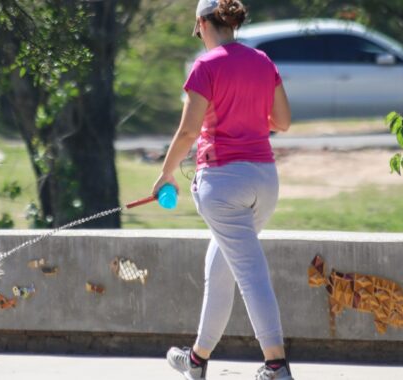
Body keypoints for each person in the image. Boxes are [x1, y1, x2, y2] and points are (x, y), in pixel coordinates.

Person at [151, 0, 293, 379]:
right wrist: (245, 113)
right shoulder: (263, 61)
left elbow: (187, 131)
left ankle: (276, 365)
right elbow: (282, 121)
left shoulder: (206, 66)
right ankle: (196, 361)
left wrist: (166, 173)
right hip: (265, 181)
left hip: (223, 183)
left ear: (202, 24)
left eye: (197, 31)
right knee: (221, 266)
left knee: (249, 273)